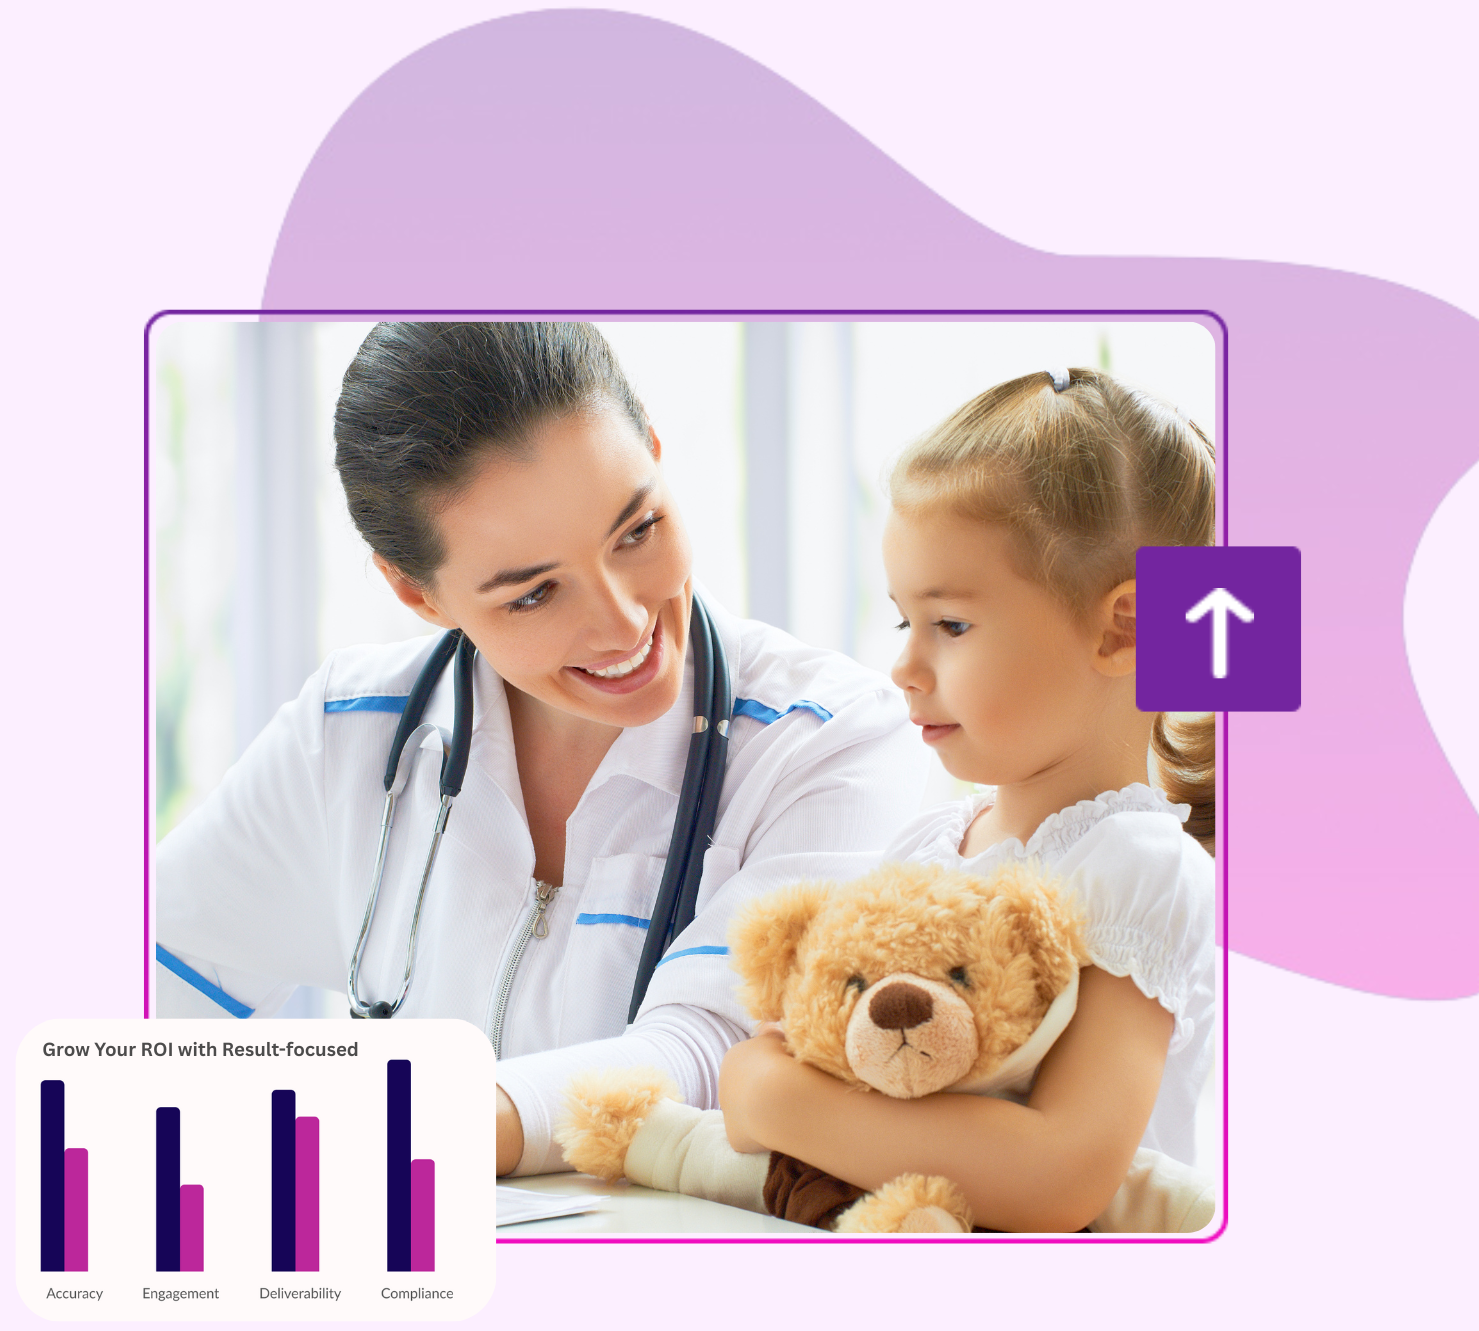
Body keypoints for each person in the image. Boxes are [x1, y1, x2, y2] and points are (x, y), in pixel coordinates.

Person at [155, 322, 931, 1177]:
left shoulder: (829, 743)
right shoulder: (349, 737)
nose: (625, 621)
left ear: (655, 449)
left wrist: (375, 1131)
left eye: (636, 530)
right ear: (415, 590)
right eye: (534, 594)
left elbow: (709, 1052)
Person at [718, 366, 1216, 1232]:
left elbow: (1058, 1179)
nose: (903, 667)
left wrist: (770, 1098)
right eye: (905, 620)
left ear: (1121, 628)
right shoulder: (931, 841)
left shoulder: (1139, 867)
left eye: (950, 625)